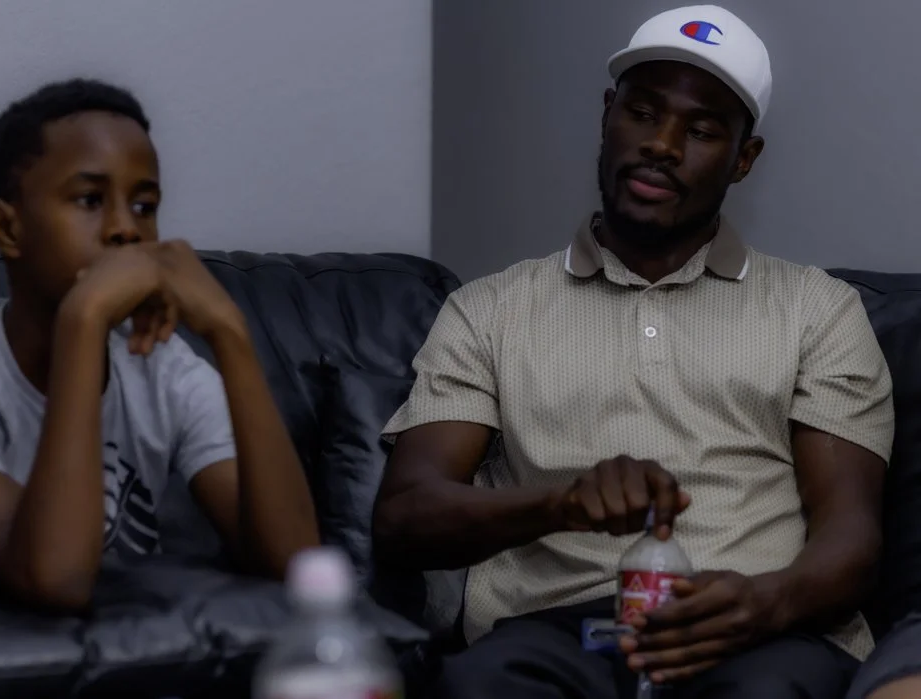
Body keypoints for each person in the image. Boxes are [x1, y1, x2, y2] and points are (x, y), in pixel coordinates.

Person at [373, 5, 893, 699]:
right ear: (606, 117)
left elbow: (850, 535)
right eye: (643, 113)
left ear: (743, 158)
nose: (663, 145)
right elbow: (405, 517)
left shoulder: (817, 311)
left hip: (759, 632)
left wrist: (764, 602)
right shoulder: (489, 309)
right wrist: (558, 502)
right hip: (555, 634)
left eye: (702, 129)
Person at [0, 79, 320, 610]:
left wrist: (229, 332)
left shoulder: (161, 365)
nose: (124, 231)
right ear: (6, 227)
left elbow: (294, 567)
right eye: (89, 199)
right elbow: (55, 581)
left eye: (144, 205)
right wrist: (84, 320)